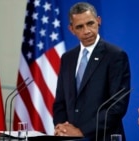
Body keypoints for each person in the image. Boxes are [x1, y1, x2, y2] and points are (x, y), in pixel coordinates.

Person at [53, 2, 131, 141]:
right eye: (80, 27)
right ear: (71, 29)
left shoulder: (115, 56)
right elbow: (60, 101)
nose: (87, 31)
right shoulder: (67, 58)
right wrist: (62, 128)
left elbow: (116, 106)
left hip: (104, 137)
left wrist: (81, 131)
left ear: (98, 21)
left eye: (90, 23)